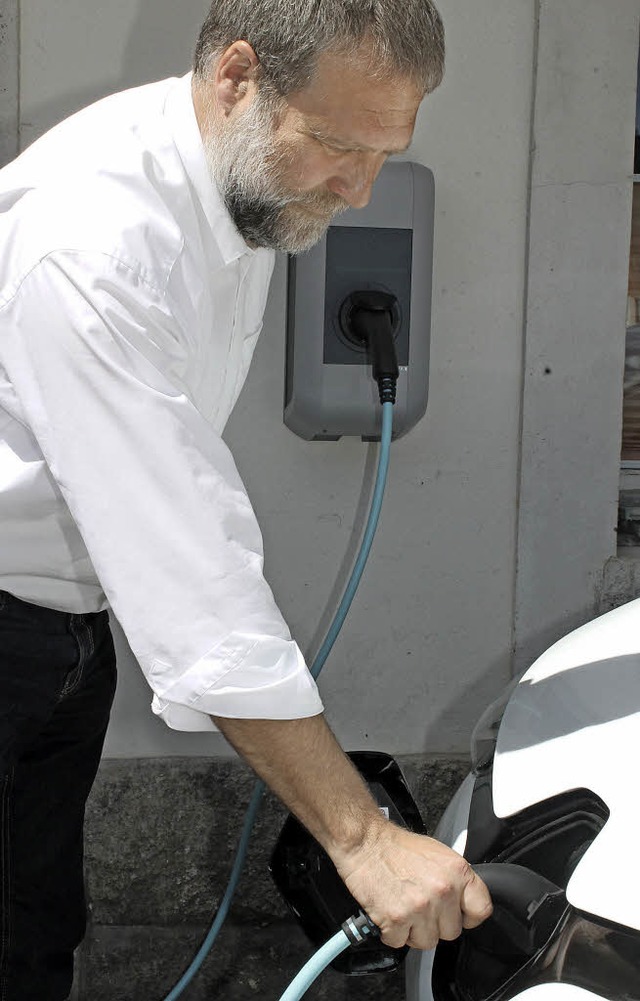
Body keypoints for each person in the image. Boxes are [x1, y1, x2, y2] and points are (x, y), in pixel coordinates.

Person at [0, 1, 492, 996]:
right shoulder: (94, 243)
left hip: (66, 618)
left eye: (384, 153)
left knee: (31, 923)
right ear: (236, 77)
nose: (359, 191)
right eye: (339, 146)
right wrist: (360, 839)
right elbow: (190, 568)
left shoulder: (236, 173)